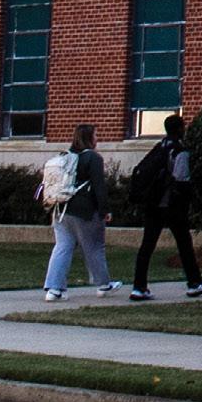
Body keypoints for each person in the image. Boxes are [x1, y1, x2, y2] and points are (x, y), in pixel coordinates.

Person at [126, 111, 202, 299]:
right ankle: (194, 282)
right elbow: (181, 179)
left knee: (147, 246)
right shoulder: (179, 150)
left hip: (152, 203)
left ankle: (139, 287)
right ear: (180, 129)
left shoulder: (160, 147)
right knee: (184, 244)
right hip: (172, 205)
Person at [39, 124, 119, 301]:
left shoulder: (66, 156)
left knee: (62, 246)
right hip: (85, 210)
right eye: (95, 135)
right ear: (89, 138)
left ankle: (53, 289)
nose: (97, 138)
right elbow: (99, 186)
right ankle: (103, 284)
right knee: (95, 247)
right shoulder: (93, 158)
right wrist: (105, 210)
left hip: (61, 208)